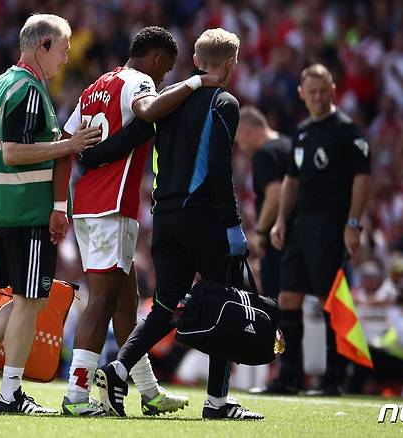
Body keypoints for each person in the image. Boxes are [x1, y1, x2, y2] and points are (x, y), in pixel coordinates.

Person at [96, 28, 263, 420]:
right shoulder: (225, 102)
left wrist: (90, 155)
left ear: (195, 62)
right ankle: (217, 403)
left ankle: (118, 370)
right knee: (227, 302)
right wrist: (233, 224)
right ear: (231, 64)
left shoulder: (168, 102)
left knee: (164, 307)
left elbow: (130, 136)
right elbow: (220, 168)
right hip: (203, 218)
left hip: (164, 221)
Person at [59, 26, 221, 417]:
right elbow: (149, 111)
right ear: (159, 58)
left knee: (127, 303)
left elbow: (71, 138)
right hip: (109, 205)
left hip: (92, 202)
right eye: (167, 70)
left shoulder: (96, 85)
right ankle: (76, 396)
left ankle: (148, 390)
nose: (164, 79)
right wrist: (196, 82)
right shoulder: (140, 80)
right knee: (101, 301)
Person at [0, 14, 102, 415]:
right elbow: (13, 152)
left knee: (25, 299)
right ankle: (10, 394)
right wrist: (70, 146)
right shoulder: (29, 89)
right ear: (43, 46)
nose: (66, 60)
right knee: (30, 298)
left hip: (0, 210)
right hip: (24, 211)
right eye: (64, 50)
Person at [270, 64, 371, 396]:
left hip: (332, 225)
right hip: (300, 226)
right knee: (287, 298)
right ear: (302, 94)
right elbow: (291, 180)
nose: (317, 97)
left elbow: (362, 178)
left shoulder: (346, 131)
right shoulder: (301, 132)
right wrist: (281, 220)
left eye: (323, 91)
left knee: (331, 301)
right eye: (311, 92)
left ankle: (334, 378)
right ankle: (290, 376)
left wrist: (353, 223)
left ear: (333, 91)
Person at [234, 105, 297, 394]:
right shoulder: (287, 145)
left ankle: (285, 376)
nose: (241, 148)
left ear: (247, 131)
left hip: (278, 240)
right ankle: (294, 374)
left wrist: (260, 230)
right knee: (294, 306)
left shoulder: (265, 154)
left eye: (240, 140)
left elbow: (273, 195)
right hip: (300, 237)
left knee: (278, 307)